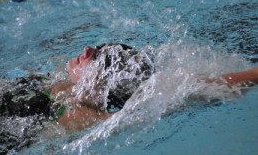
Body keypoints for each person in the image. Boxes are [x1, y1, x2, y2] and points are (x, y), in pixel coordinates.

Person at [46, 44, 258, 132]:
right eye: (98, 47)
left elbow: (183, 89)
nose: (87, 49)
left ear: (101, 87)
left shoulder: (84, 118)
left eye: (99, 58)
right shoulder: (63, 85)